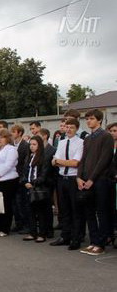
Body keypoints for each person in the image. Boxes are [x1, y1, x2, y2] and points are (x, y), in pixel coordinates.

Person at [77, 109, 114, 256]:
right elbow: (83, 159)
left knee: (101, 212)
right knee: (89, 212)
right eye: (87, 119)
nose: (88, 121)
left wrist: (92, 179)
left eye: (91, 118)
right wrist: (79, 177)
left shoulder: (106, 136)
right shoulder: (87, 138)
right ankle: (93, 242)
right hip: (85, 180)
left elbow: (104, 160)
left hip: (100, 181)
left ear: (99, 120)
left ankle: (101, 243)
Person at [50, 119, 85, 250]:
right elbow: (53, 162)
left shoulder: (81, 142)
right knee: (64, 209)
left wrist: (59, 161)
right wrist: (61, 161)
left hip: (73, 179)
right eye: (67, 127)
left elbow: (75, 163)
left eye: (71, 127)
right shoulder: (62, 142)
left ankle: (76, 238)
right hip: (62, 178)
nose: (68, 129)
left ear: (77, 129)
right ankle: (65, 236)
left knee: (75, 210)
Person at [21, 136, 51, 243]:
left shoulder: (44, 158)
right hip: (28, 187)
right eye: (30, 144)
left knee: (41, 212)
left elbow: (44, 175)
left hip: (39, 188)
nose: (32, 146)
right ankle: (32, 232)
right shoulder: (29, 157)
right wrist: (25, 181)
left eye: (34, 144)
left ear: (39, 145)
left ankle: (42, 234)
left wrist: (33, 183)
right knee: (30, 211)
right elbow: (24, 172)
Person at [11, 124, 30, 234]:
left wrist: (23, 177)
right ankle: (18, 224)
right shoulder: (11, 145)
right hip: (12, 177)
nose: (12, 134)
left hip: (21, 177)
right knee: (14, 203)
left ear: (20, 133)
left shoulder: (25, 145)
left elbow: (26, 163)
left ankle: (26, 225)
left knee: (22, 202)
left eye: (14, 132)